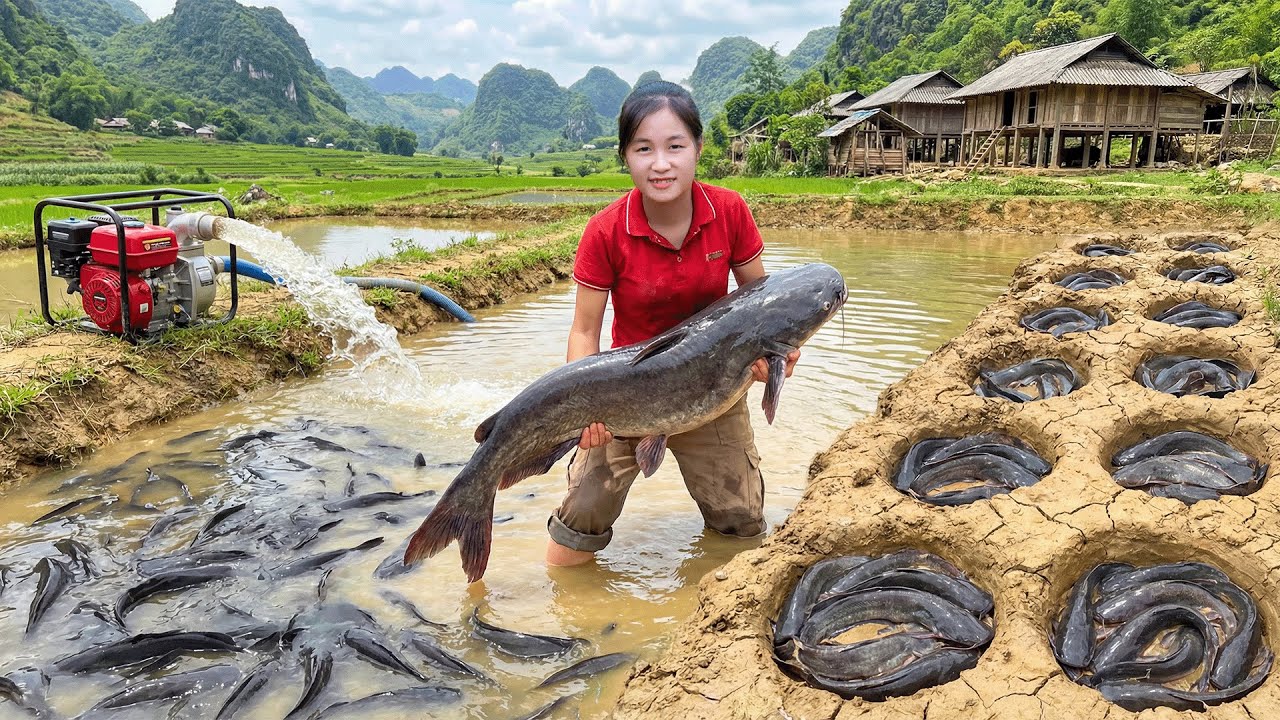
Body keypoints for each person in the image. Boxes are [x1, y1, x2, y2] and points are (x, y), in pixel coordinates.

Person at [546, 81, 800, 567]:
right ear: (626, 156)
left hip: (715, 390)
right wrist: (582, 411)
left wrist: (778, 356)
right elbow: (584, 331)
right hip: (626, 393)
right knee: (580, 518)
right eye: (644, 149)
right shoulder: (604, 231)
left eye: (675, 146)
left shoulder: (728, 211)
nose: (660, 164)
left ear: (698, 149)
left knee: (740, 524)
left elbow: (763, 307)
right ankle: (563, 612)